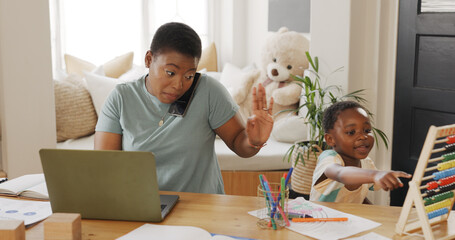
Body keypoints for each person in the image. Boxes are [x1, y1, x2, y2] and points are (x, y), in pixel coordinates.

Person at [94, 22, 274, 194]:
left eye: (189, 76)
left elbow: (238, 142)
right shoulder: (121, 98)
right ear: (149, 59)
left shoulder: (208, 91)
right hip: (143, 205)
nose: (179, 85)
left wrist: (254, 141)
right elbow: (105, 167)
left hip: (202, 205)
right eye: (170, 73)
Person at [310, 101, 411, 203]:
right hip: (317, 218)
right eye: (351, 132)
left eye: (367, 130)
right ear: (330, 139)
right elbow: (340, 173)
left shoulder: (367, 164)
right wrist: (375, 175)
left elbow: (356, 196)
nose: (363, 136)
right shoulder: (329, 159)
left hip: (348, 218)